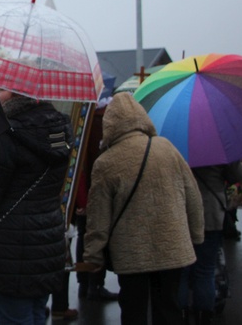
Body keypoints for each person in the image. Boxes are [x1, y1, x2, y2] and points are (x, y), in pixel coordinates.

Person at [0, 88, 73, 325]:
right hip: (47, 246)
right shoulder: (60, 128)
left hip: (11, 251)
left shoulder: (6, 135)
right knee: (37, 316)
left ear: (17, 93)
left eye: (0, 89)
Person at [83, 92, 204, 325]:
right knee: (168, 309)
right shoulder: (167, 148)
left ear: (110, 124)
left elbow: (98, 218)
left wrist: (93, 256)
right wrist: (196, 236)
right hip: (172, 248)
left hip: (130, 255)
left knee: (133, 311)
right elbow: (193, 196)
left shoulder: (106, 162)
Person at [179, 161, 242, 325]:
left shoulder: (173, 145)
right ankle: (204, 318)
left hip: (181, 212)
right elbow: (238, 175)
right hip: (210, 214)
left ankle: (180, 317)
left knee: (181, 272)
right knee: (205, 270)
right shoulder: (218, 146)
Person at [74, 102, 119, 302]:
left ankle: (85, 283)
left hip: (83, 188)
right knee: (95, 235)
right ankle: (94, 283)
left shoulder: (78, 114)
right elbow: (82, 161)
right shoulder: (99, 118)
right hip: (93, 188)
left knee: (84, 235)